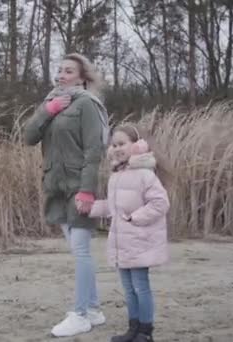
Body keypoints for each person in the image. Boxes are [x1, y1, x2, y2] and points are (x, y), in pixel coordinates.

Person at [23, 53, 110, 337]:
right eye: (59, 70)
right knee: (77, 251)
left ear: (83, 77)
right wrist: (48, 111)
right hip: (56, 187)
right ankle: (94, 309)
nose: (61, 75)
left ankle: (81, 314)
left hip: (79, 187)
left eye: (68, 71)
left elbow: (94, 150)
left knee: (82, 251)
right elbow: (29, 137)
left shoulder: (86, 103)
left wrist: (86, 189)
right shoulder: (51, 102)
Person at [89, 124, 170, 342]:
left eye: (122, 143)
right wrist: (92, 208)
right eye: (114, 145)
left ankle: (145, 332)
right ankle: (133, 329)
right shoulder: (116, 175)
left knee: (140, 287)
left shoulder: (145, 174)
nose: (117, 148)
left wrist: (135, 218)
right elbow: (115, 207)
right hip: (122, 242)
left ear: (136, 145)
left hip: (139, 240)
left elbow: (160, 203)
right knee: (128, 287)